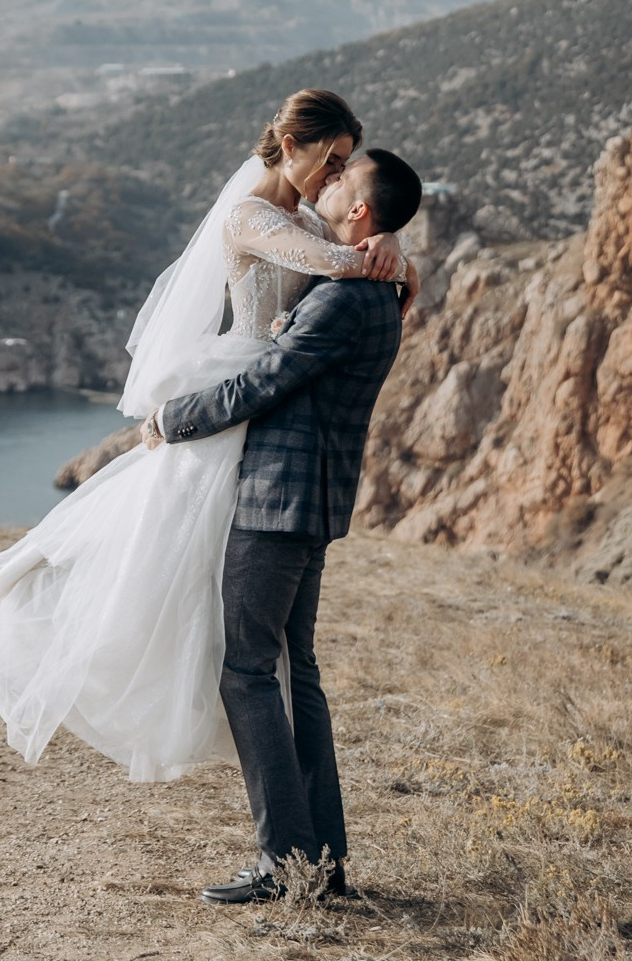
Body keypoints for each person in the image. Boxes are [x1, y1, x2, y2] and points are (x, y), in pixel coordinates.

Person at [0, 90, 416, 784]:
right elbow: (345, 262)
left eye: (345, 165)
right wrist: (389, 250)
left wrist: (387, 234)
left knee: (244, 617)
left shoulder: (307, 212)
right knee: (172, 564)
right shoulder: (250, 215)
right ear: (292, 147)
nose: (335, 173)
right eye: (332, 158)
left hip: (273, 398)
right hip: (244, 386)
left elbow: (355, 232)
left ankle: (280, 806)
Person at [142, 145, 422, 904]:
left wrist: (174, 418)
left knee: (247, 673)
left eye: (343, 180)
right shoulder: (375, 287)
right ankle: (321, 865)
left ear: (361, 210)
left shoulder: (341, 297)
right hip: (315, 500)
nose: (328, 184)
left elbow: (266, 382)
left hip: (277, 503)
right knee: (296, 677)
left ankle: (284, 864)